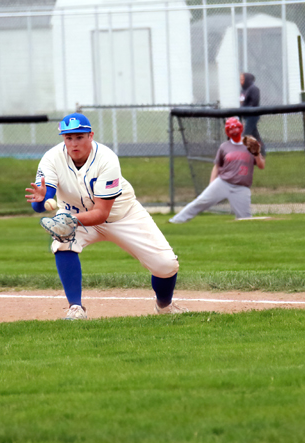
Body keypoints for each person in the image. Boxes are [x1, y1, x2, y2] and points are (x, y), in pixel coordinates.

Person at [25, 113, 186, 320]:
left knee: (166, 265)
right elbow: (41, 204)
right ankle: (75, 308)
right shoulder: (51, 158)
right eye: (68, 138)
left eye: (79, 137)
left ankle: (164, 306)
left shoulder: (107, 159)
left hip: (123, 215)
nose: (74, 143)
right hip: (75, 212)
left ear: (90, 136)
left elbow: (102, 213)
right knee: (62, 240)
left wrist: (70, 221)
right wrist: (40, 200)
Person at [169, 117, 265, 223]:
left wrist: (256, 153)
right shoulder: (224, 146)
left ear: (241, 128)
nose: (234, 130)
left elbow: (261, 166)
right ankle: (175, 220)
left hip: (241, 187)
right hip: (223, 183)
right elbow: (217, 166)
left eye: (236, 127)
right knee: (200, 201)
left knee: (245, 218)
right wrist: (212, 184)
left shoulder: (250, 144)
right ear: (227, 132)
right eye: (231, 129)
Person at [239, 72, 266, 157]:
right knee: (255, 135)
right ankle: (262, 151)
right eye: (240, 79)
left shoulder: (254, 89)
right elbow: (242, 102)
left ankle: (243, 154)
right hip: (246, 116)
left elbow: (254, 103)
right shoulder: (243, 90)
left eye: (242, 79)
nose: (241, 81)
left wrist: (245, 109)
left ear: (247, 80)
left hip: (252, 116)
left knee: (246, 134)